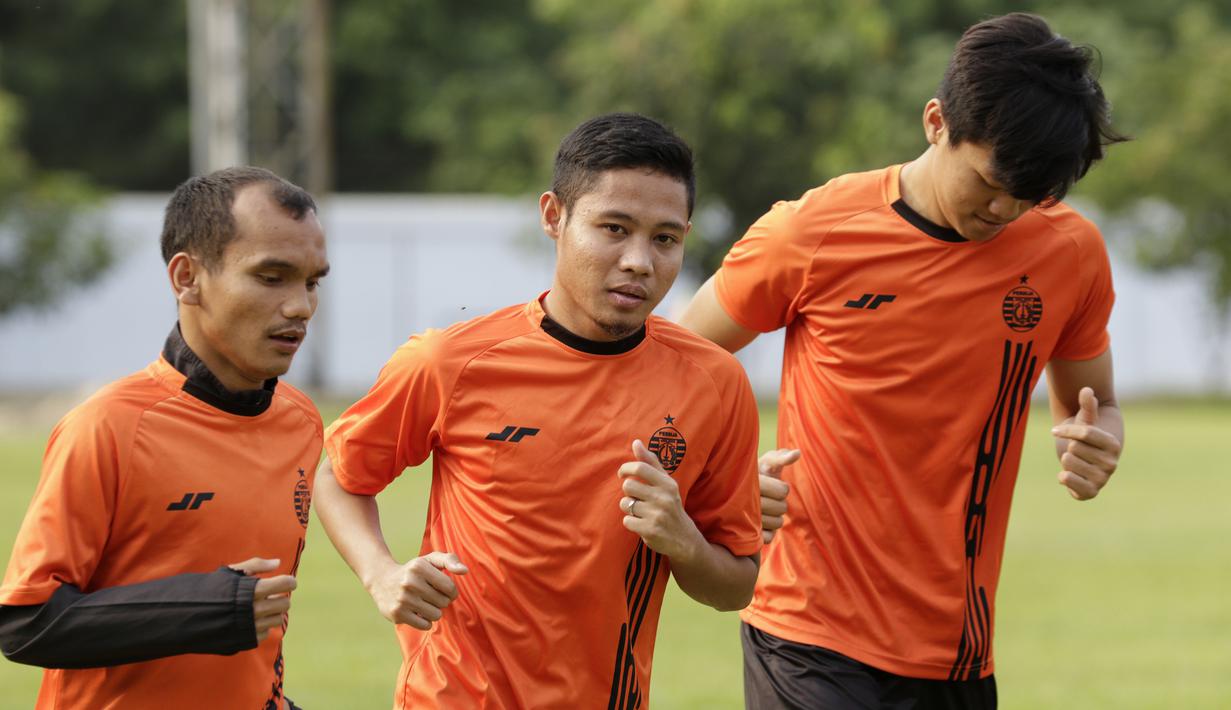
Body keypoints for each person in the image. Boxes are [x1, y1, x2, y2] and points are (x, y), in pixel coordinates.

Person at [679, 13, 1128, 709]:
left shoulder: (1068, 253)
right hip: (806, 633)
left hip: (957, 650)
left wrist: (1097, 443)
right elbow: (677, 365)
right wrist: (725, 473)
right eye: (989, 181)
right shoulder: (812, 232)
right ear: (934, 122)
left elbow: (1092, 402)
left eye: (1031, 196)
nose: (1003, 210)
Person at [315, 112, 762, 708]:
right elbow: (338, 475)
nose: (639, 261)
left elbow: (736, 584)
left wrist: (683, 540)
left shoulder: (714, 383)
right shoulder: (451, 361)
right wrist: (381, 574)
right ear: (554, 217)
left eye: (665, 238)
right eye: (614, 228)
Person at [0, 166, 330, 709]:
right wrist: (206, 608)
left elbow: (260, 635)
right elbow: (28, 622)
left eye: (312, 281)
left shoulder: (300, 421)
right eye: (272, 277)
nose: (300, 306)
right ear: (186, 279)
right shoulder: (109, 426)